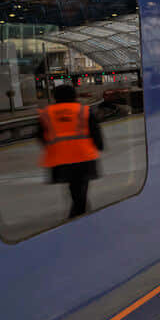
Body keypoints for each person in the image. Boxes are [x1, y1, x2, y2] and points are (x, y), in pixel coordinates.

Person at [39, 84, 104, 219]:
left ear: (55, 97)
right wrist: (99, 146)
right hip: (83, 157)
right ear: (74, 95)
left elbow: (40, 134)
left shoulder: (47, 113)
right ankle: (78, 214)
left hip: (60, 159)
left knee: (74, 188)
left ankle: (79, 211)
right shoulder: (82, 110)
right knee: (81, 187)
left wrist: (51, 146)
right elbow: (95, 131)